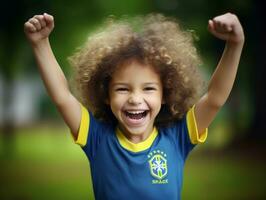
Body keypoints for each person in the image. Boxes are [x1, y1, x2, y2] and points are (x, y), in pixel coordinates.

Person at [24, 12, 244, 200]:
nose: (135, 99)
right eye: (122, 89)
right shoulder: (97, 138)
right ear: (106, 95)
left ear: (165, 94)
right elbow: (62, 96)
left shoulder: (178, 137)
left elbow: (215, 98)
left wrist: (234, 45)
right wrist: (40, 43)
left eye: (148, 88)